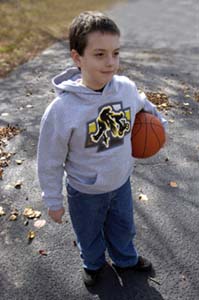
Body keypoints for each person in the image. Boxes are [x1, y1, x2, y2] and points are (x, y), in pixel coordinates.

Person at [37, 11, 167, 286]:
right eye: (99, 54)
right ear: (77, 57)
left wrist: (160, 124)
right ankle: (93, 264)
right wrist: (52, 200)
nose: (110, 63)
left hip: (120, 181)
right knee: (89, 233)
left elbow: (145, 106)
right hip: (85, 191)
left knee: (123, 227)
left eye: (115, 53)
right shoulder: (62, 110)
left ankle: (126, 259)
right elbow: (49, 159)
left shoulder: (125, 88)